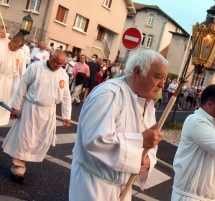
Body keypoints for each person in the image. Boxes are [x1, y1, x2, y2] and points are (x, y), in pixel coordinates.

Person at [69, 50, 168, 201]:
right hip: (94, 186)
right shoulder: (109, 94)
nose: (162, 84)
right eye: (158, 77)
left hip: (122, 188)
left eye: (164, 79)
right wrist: (139, 141)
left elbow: (150, 142)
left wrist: (147, 162)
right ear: (137, 71)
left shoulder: (146, 102)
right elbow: (94, 140)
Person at [2, 49, 71, 184]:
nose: (58, 66)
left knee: (41, 140)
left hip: (49, 112)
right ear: (50, 57)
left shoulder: (63, 75)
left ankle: (25, 161)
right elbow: (22, 86)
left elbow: (66, 96)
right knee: (25, 138)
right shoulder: (35, 68)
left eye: (61, 64)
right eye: (56, 62)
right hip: (31, 109)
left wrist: (66, 115)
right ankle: (19, 168)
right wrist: (16, 106)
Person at [0, 33, 26, 126]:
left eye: (18, 48)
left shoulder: (20, 54)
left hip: (9, 82)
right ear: (11, 41)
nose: (15, 49)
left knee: (4, 107)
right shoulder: (1, 48)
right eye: (15, 46)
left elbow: (23, 72)